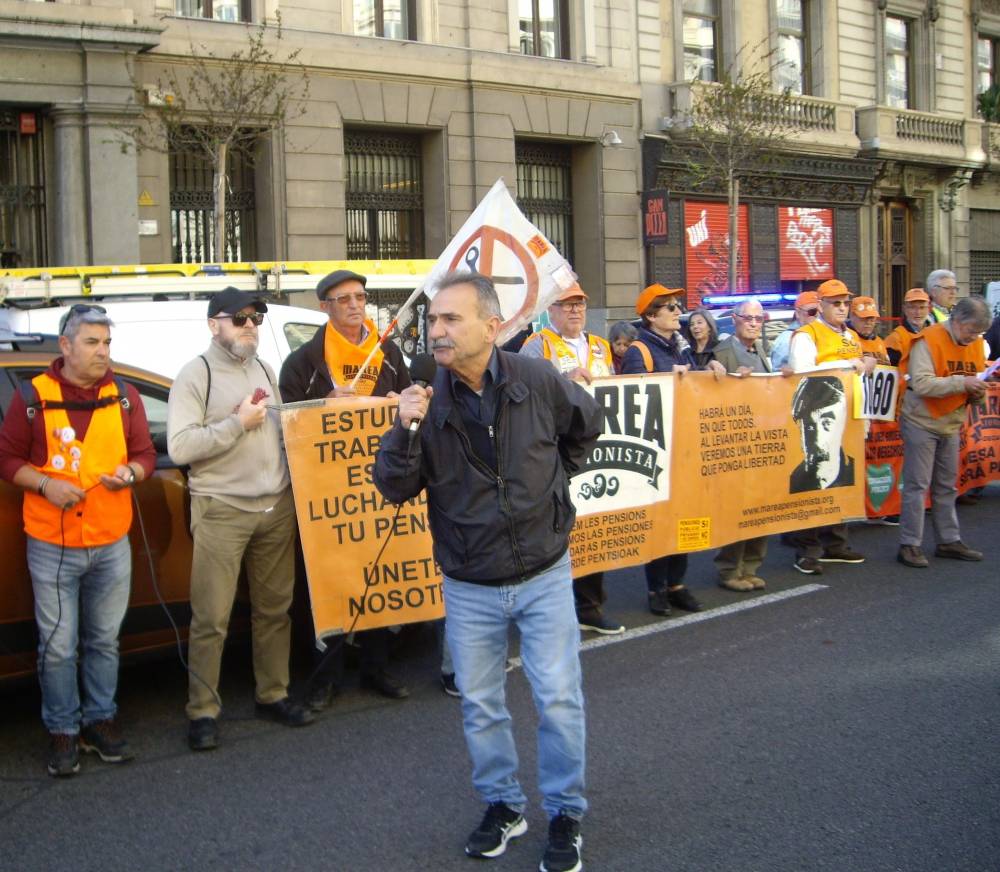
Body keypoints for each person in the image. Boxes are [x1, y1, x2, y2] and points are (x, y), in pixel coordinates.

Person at [374, 272, 601, 872]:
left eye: (451, 319)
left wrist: (550, 496)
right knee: (481, 704)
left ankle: (565, 813)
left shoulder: (536, 378)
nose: (437, 330)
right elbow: (394, 487)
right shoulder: (424, 398)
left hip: (544, 571)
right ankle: (504, 804)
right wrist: (403, 429)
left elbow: (585, 428)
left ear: (491, 326)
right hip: (470, 582)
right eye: (434, 320)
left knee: (557, 700)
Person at [0, 304, 156, 777]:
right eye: (92, 343)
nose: (102, 352)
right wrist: (46, 485)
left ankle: (100, 721)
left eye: (107, 343)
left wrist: (131, 472)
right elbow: (7, 460)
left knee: (104, 641)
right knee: (58, 646)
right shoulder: (32, 396)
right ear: (65, 346)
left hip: (111, 540)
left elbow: (147, 455)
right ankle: (63, 729)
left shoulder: (126, 396)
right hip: (53, 542)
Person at [168, 288, 314, 752]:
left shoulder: (264, 369)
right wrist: (237, 424)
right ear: (215, 325)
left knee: (275, 612)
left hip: (275, 508)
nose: (250, 325)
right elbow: (181, 448)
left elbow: (280, 431)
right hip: (222, 511)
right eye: (240, 318)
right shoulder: (196, 375)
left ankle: (273, 693)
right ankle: (203, 711)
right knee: (211, 618)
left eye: (256, 317)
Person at [278, 269, 411, 705]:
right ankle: (326, 675)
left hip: (378, 484)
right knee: (330, 582)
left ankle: (377, 666)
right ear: (325, 307)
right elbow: (289, 423)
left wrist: (404, 402)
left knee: (378, 576)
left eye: (360, 297)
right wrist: (321, 407)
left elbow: (410, 399)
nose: (355, 305)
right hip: (328, 493)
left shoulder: (386, 352)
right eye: (344, 299)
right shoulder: (302, 362)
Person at [520, 283, 624, 635]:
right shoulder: (537, 345)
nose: (575, 311)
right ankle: (548, 613)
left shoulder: (601, 346)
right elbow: (526, 392)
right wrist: (563, 381)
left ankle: (590, 607)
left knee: (596, 525)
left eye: (580, 304)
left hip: (599, 445)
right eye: (566, 306)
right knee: (556, 531)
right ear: (552, 311)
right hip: (557, 449)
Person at [621, 284, 724, 616]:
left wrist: (710, 371)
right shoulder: (640, 350)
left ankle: (678, 584)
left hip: (684, 445)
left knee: (685, 518)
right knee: (659, 520)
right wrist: (669, 376)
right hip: (657, 451)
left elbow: (691, 387)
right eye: (671, 308)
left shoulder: (680, 347)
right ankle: (657, 588)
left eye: (678, 306)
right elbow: (635, 400)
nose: (679, 312)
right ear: (651, 316)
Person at [786, 279, 874, 575]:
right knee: (813, 482)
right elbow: (802, 374)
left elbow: (861, 380)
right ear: (820, 305)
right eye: (835, 303)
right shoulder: (807, 335)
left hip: (848, 419)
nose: (841, 307)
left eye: (845, 302)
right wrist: (849, 366)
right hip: (819, 419)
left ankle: (835, 543)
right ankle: (807, 550)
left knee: (841, 480)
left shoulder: (850, 336)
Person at [897, 296, 991, 568]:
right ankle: (909, 544)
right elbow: (923, 384)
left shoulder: (974, 345)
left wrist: (976, 392)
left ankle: (948, 540)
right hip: (921, 421)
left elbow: (974, 383)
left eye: (979, 333)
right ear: (958, 321)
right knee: (917, 485)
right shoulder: (928, 340)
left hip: (950, 422)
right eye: (971, 331)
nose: (974, 338)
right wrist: (963, 383)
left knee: (947, 485)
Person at [710, 299, 773, 591]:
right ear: (735, 319)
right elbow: (711, 395)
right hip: (734, 443)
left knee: (761, 507)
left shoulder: (761, 349)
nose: (753, 323)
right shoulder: (723, 352)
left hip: (763, 440)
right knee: (736, 509)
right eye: (748, 318)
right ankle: (729, 570)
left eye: (759, 319)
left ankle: (750, 566)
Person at [788, 376, 855, 493]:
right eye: (809, 426)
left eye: (827, 423)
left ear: (842, 424)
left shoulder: (857, 473)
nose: (818, 442)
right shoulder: (793, 483)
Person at [885, 288, 933, 373]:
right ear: (905, 309)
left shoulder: (935, 335)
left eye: (922, 307)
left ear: (928, 309)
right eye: (912, 307)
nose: (917, 312)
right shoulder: (895, 339)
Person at [771, 290, 820, 370]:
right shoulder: (787, 340)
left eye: (820, 312)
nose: (817, 316)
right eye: (812, 312)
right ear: (797, 313)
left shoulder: (819, 336)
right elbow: (779, 376)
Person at [848, 296, 890, 364]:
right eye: (864, 318)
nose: (868, 322)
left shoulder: (879, 342)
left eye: (872, 319)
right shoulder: (844, 339)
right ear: (852, 316)